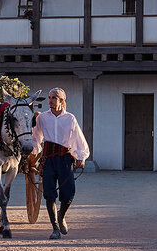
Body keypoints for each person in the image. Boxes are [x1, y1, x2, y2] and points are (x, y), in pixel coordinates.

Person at [32, 87, 89, 239]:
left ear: (61, 101)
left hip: (65, 159)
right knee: (50, 194)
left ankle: (61, 214)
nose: (50, 100)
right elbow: (36, 137)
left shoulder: (70, 118)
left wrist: (81, 157)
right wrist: (32, 152)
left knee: (68, 193)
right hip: (49, 159)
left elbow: (78, 137)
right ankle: (55, 229)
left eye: (53, 98)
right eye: (49, 97)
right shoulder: (42, 118)